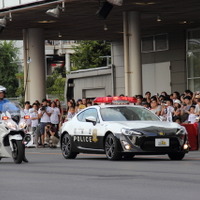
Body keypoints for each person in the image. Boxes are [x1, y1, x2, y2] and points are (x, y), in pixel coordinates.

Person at [0, 85, 28, 162]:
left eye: (2, 93)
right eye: (0, 93)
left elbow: (14, 109)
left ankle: (22, 155)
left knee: (21, 133)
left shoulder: (7, 101)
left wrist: (19, 112)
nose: (1, 94)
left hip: (6, 120)